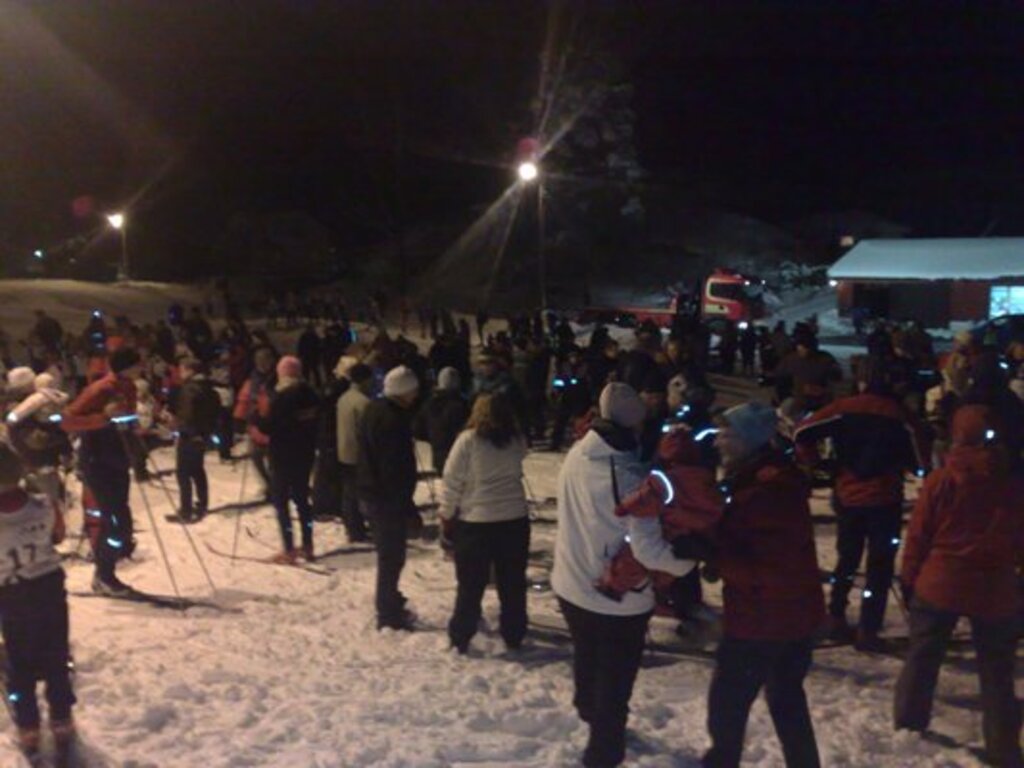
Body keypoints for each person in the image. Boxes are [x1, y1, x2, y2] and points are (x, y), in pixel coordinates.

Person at [550, 382, 693, 768]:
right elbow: (648, 549)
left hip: (570, 582)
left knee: (587, 654)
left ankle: (588, 708)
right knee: (615, 682)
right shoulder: (630, 475)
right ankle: (603, 752)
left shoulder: (578, 452)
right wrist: (688, 563)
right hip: (614, 599)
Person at [895, 405, 1023, 767]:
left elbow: (920, 535)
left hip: (942, 580)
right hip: (994, 586)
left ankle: (909, 723)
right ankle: (1002, 744)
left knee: (922, 657)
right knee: (997, 670)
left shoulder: (942, 480)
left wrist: (910, 578)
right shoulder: (1012, 482)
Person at [704, 402, 824, 768]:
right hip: (792, 616)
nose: (718, 442)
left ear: (748, 441)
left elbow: (768, 568)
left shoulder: (766, 491)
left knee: (728, 703)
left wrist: (717, 557)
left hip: (764, 619)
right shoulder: (764, 481)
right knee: (786, 698)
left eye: (727, 434)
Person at [793, 356, 925, 650]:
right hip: (885, 499)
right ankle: (868, 627)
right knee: (879, 567)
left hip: (848, 494)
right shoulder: (900, 416)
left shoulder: (844, 408)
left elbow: (802, 432)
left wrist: (817, 463)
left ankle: (837, 615)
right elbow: (920, 463)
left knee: (847, 559)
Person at [0, 445, 76, 758]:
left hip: (11, 593)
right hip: (48, 586)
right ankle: (62, 719)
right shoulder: (45, 503)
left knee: (20, 661)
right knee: (56, 653)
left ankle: (29, 726)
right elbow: (57, 536)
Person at [440, 393, 529, 653]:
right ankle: (514, 633)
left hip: (476, 521)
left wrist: (447, 515)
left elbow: (452, 481)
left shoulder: (468, 440)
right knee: (512, 582)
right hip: (514, 519)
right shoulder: (516, 440)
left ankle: (461, 635)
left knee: (471, 583)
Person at [61, 346, 142, 595]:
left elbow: (125, 418)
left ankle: (107, 569)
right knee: (114, 522)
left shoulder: (129, 386)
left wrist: (133, 427)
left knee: (123, 523)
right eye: (139, 362)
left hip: (118, 460)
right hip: (97, 462)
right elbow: (67, 420)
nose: (144, 366)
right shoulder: (100, 388)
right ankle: (104, 576)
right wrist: (104, 418)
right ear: (128, 365)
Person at [357, 365, 421, 630]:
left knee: (390, 554)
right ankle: (388, 612)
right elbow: (393, 467)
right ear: (403, 391)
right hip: (385, 498)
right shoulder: (392, 420)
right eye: (413, 390)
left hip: (373, 493)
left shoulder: (375, 410)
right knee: (391, 556)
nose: (416, 395)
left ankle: (390, 599)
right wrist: (405, 504)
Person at [263, 356, 321, 562]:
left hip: (282, 455)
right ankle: (308, 544)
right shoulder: (311, 394)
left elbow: (271, 426)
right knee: (302, 501)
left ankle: (289, 548)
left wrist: (257, 418)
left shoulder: (281, 396)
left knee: (281, 502)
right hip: (304, 453)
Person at [170, 358, 221, 522]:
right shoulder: (209, 388)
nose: (180, 373)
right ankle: (202, 504)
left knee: (183, 473)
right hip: (203, 435)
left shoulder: (189, 389)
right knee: (198, 470)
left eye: (182, 369)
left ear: (190, 370)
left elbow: (187, 414)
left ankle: (186, 510)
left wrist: (180, 428)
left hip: (190, 435)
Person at [335, 361, 373, 542]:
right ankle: (360, 527)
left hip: (344, 451)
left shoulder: (344, 398)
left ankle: (352, 526)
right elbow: (366, 431)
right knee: (362, 492)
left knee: (348, 493)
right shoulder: (364, 402)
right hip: (359, 453)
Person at [233, 346, 276, 500]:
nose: (263, 364)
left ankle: (276, 487)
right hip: (256, 424)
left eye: (265, 360)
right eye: (259, 361)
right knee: (256, 457)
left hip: (273, 425)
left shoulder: (276, 378)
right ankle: (270, 484)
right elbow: (244, 399)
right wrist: (239, 417)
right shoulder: (253, 380)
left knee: (273, 459)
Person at [413, 366, 470, 476]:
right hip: (462, 454)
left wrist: (433, 436)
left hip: (439, 454)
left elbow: (417, 429)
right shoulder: (462, 404)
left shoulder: (430, 404)